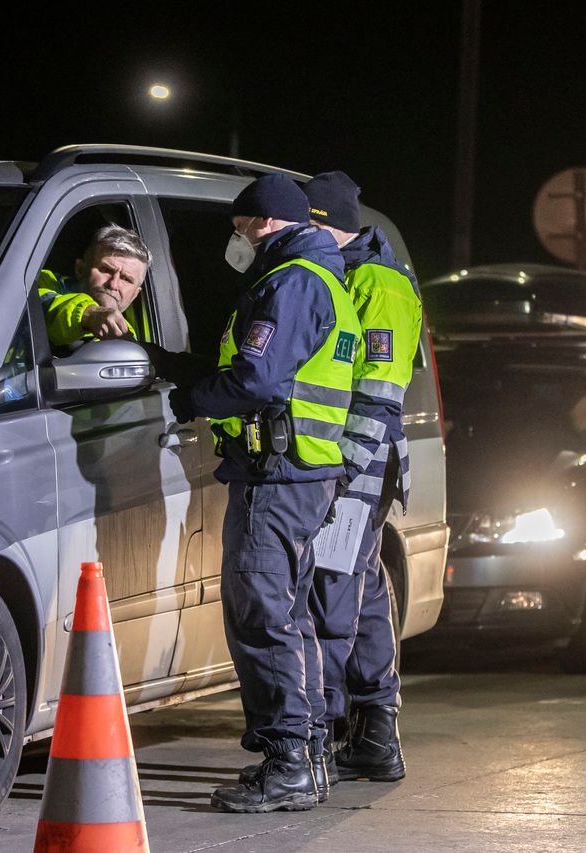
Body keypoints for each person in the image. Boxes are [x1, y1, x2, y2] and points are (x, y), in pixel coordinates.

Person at [166, 174, 360, 813]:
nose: (236, 238)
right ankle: (305, 758)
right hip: (299, 472)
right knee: (288, 616)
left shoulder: (294, 281)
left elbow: (256, 376)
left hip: (280, 476)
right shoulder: (317, 276)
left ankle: (289, 765)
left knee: (262, 617)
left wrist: (191, 399)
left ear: (267, 223)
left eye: (240, 226)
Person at [302, 170, 422, 786]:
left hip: (359, 463)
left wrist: (343, 468)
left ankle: (321, 737)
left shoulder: (378, 282)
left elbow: (379, 390)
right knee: (364, 586)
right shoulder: (357, 273)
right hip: (358, 461)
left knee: (331, 589)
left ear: (323, 222)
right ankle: (374, 735)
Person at [36, 224, 150, 346]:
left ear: (134, 295)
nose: (113, 284)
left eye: (126, 279)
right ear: (80, 269)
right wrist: (89, 314)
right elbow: (37, 310)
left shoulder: (125, 336)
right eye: (106, 270)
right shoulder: (39, 281)